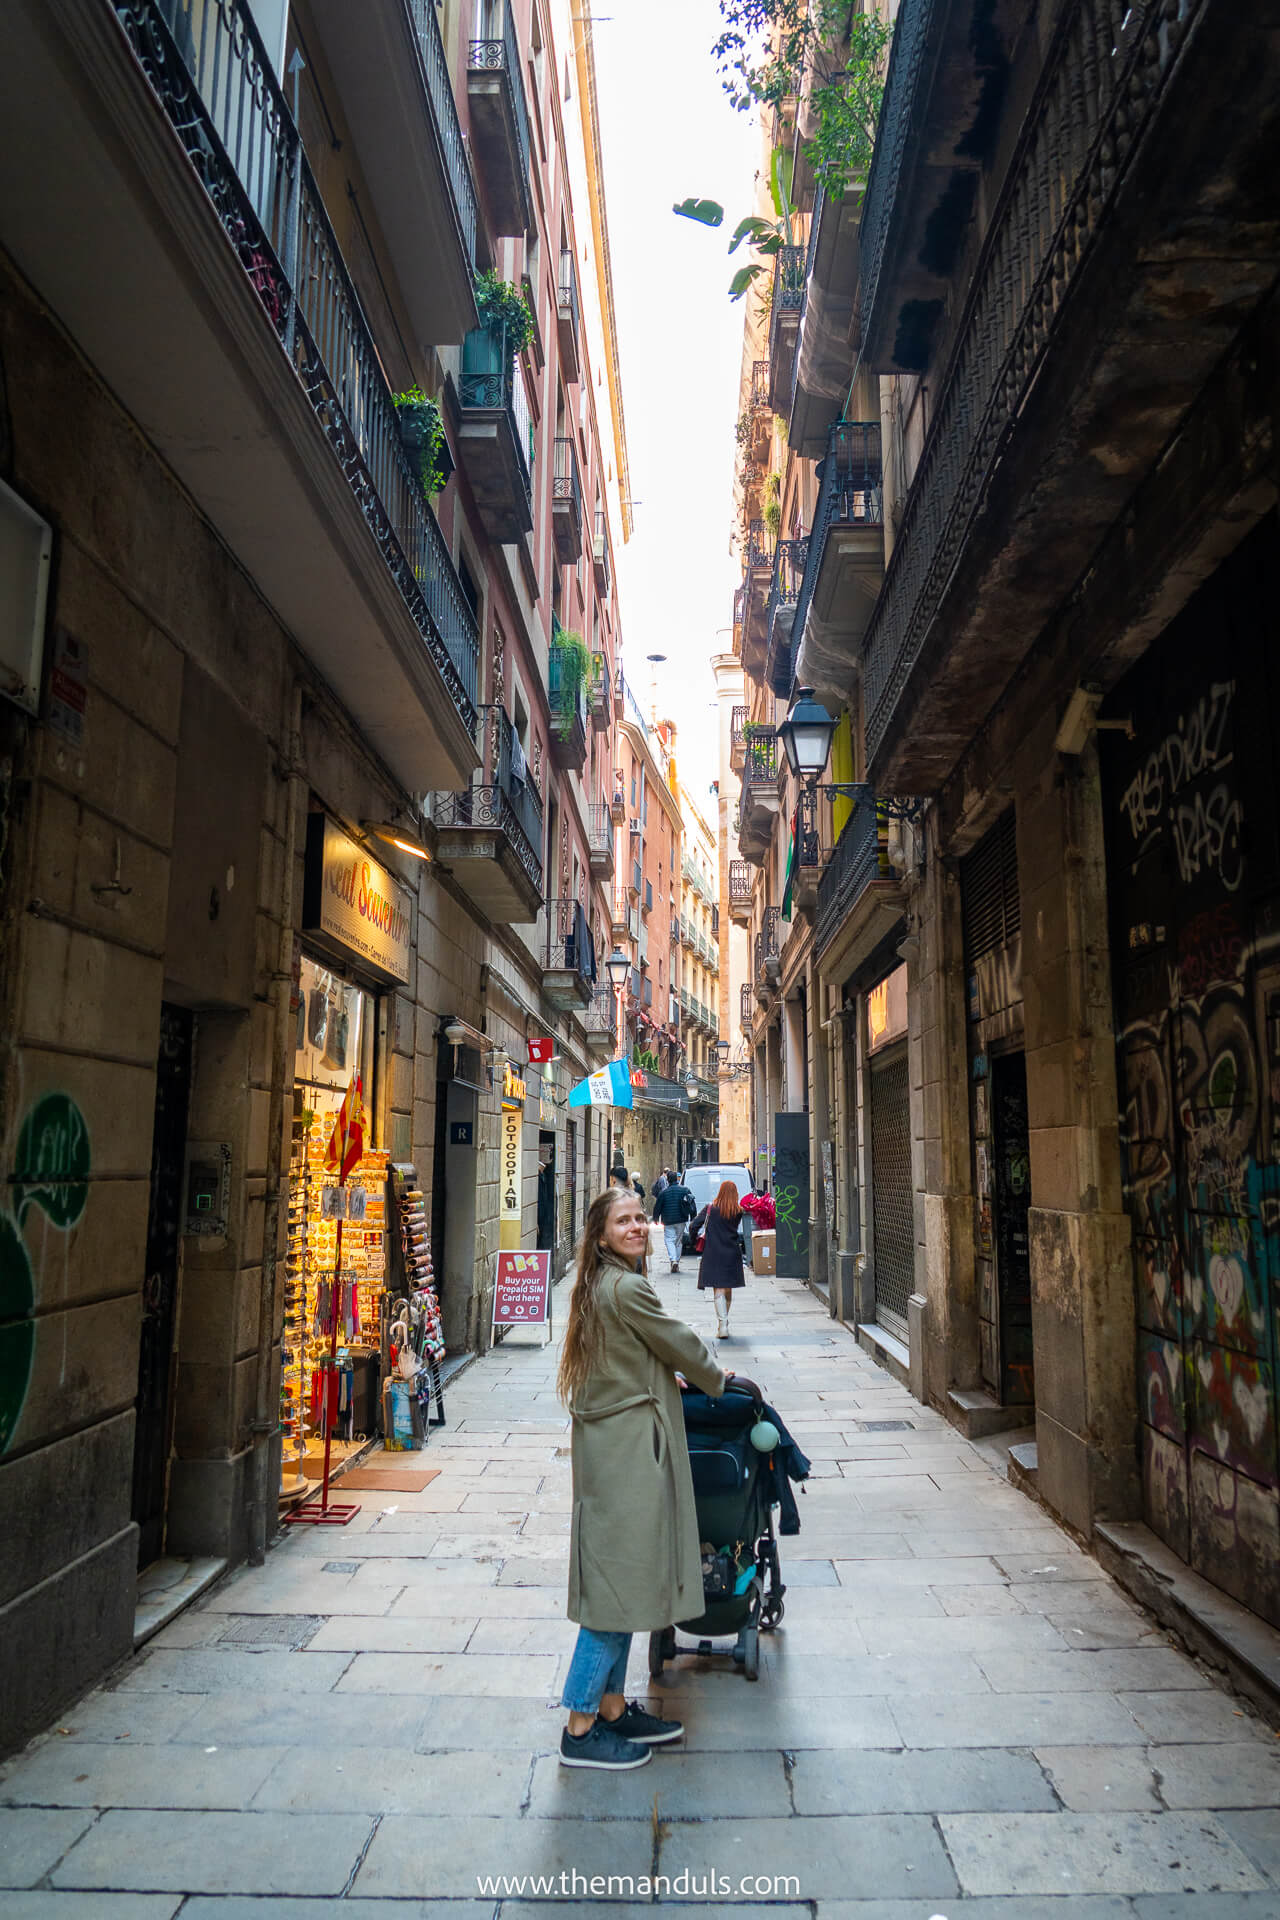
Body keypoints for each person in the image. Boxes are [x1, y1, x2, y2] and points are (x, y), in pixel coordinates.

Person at [557, 1185, 729, 1771]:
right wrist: (715, 1377)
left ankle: (610, 1707)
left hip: (615, 1445)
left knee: (622, 1581)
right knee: (613, 1591)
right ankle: (580, 1726)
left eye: (639, 1218)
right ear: (602, 1234)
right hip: (626, 1453)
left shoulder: (599, 1284)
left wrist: (661, 1378)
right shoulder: (627, 1287)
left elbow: (629, 1355)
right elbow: (677, 1340)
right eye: (622, 1221)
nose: (635, 1227)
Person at [691, 1179, 746, 1340]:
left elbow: (694, 1225)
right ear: (735, 1194)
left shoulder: (710, 1209)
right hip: (732, 1252)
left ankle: (722, 1325)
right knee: (728, 1288)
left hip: (713, 1252)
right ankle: (724, 1323)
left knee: (718, 1289)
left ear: (720, 1192)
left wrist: (695, 1241)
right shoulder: (738, 1211)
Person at [652, 1169, 696, 1273]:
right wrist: (693, 1216)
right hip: (681, 1218)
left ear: (668, 1180)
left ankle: (673, 1260)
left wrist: (655, 1218)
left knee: (669, 1239)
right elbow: (691, 1203)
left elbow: (658, 1206)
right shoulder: (685, 1190)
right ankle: (676, 1260)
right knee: (678, 1241)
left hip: (668, 1220)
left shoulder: (663, 1193)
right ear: (676, 1179)